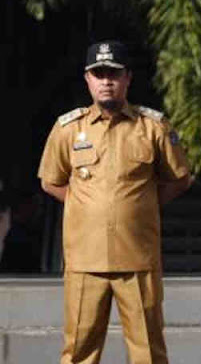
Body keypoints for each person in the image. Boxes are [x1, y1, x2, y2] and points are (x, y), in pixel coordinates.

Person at [38, 40, 192, 364]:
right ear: (88, 80)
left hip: (136, 257)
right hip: (85, 259)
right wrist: (84, 206)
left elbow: (179, 178)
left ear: (128, 79)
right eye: (99, 73)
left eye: (114, 73)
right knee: (78, 351)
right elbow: (51, 181)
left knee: (148, 352)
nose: (106, 80)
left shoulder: (152, 127)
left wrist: (143, 205)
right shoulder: (68, 129)